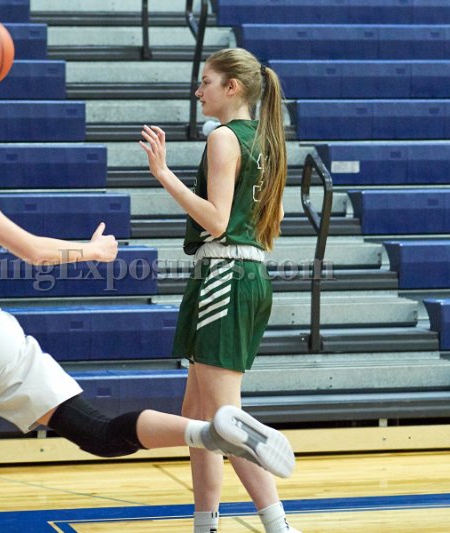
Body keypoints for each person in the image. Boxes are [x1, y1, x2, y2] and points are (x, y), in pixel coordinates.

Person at [0, 71, 295, 532]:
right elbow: (36, 252)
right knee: (99, 433)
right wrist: (95, 251)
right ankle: (209, 433)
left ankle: (210, 434)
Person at [139, 49, 300, 533]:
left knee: (227, 419)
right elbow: (274, 218)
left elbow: (217, 221)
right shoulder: (267, 142)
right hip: (246, 274)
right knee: (198, 416)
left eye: (206, 81)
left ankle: (278, 525)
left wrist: (163, 174)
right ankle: (205, 523)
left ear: (233, 87)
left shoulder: (224, 137)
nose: (198, 91)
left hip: (225, 276)